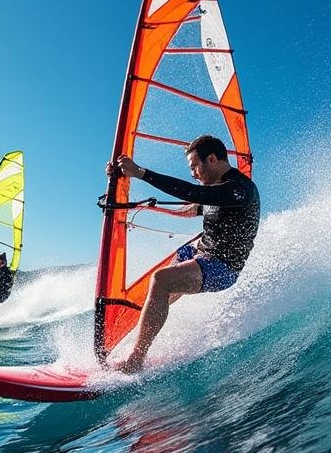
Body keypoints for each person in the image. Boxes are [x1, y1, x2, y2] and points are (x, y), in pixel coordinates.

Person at [106, 135, 259, 373]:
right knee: (164, 279)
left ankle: (136, 358)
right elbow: (189, 209)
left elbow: (193, 194)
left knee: (162, 279)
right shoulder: (213, 190)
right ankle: (144, 327)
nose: (193, 174)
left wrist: (140, 172)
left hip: (223, 268)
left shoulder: (240, 190)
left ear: (211, 159)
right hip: (201, 255)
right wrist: (136, 201)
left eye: (194, 167)